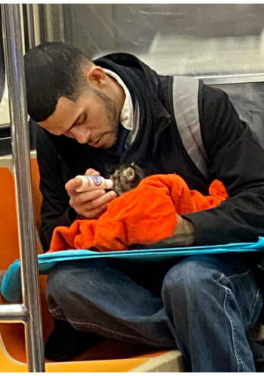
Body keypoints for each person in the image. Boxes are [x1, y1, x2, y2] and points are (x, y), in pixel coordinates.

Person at [24, 41, 264, 371]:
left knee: (189, 282)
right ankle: (216, 328)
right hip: (130, 286)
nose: (79, 138)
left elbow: (259, 197)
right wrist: (78, 214)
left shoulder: (193, 106)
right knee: (66, 287)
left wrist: (189, 229)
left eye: (81, 120)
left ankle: (211, 319)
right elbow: (53, 236)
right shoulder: (56, 140)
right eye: (66, 132)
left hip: (214, 270)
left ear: (98, 78)